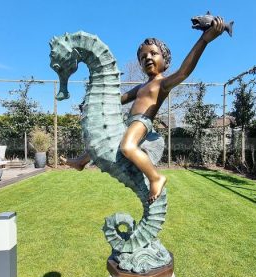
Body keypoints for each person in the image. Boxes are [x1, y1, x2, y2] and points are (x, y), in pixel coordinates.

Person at [60, 17, 225, 202]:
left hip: (142, 122)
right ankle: (81, 161)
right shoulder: (140, 87)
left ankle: (156, 177)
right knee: (103, 141)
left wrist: (204, 40)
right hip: (129, 123)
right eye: (143, 57)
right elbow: (117, 99)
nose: (148, 58)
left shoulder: (163, 84)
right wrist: (91, 102)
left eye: (154, 54)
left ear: (166, 61)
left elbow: (183, 72)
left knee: (128, 147)